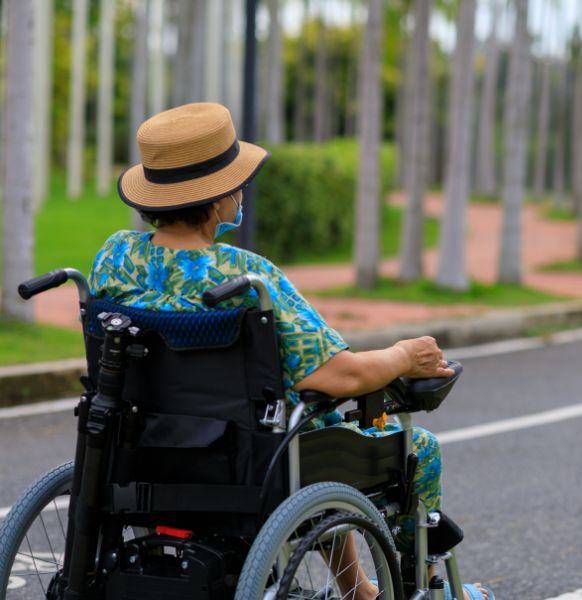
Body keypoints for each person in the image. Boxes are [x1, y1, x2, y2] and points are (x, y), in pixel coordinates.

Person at [89, 103, 493, 600]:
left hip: (139, 447)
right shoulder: (247, 278)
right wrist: (406, 355)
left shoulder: (113, 256)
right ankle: (422, 587)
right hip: (246, 464)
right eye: (235, 183)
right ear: (216, 200)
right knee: (410, 446)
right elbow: (338, 375)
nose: (242, 192)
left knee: (316, 437)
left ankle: (359, 590)